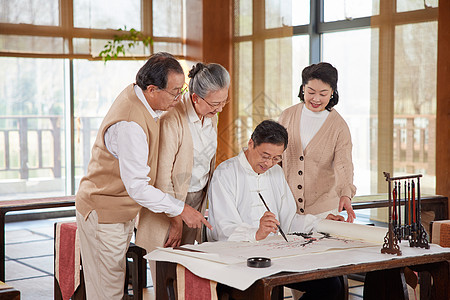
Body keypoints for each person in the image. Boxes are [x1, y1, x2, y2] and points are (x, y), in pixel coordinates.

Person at [75, 52, 211, 300]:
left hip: (120, 211)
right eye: (174, 93)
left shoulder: (142, 100)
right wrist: (180, 209)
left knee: (112, 286)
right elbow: (138, 186)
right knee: (108, 292)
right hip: (103, 211)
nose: (178, 99)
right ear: (151, 89)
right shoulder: (131, 124)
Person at [207, 120, 344, 299]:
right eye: (265, 155)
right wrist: (257, 233)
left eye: (276, 158)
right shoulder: (225, 173)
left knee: (331, 285)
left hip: (277, 256)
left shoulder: (276, 173)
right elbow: (223, 230)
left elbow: (289, 220)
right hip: (239, 260)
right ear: (250, 144)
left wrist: (322, 223)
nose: (269, 163)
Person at [136, 62, 230, 277]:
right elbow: (163, 178)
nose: (220, 109)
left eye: (224, 102)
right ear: (196, 97)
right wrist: (175, 220)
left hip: (196, 200)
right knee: (166, 271)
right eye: (215, 103)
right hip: (169, 203)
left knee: (187, 272)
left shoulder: (211, 115)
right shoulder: (172, 119)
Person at [278, 62, 357, 223]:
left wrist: (345, 193)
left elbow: (344, 164)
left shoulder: (339, 126)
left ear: (332, 93)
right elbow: (276, 157)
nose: (316, 99)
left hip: (323, 211)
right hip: (287, 207)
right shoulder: (287, 116)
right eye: (311, 92)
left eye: (323, 93)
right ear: (303, 89)